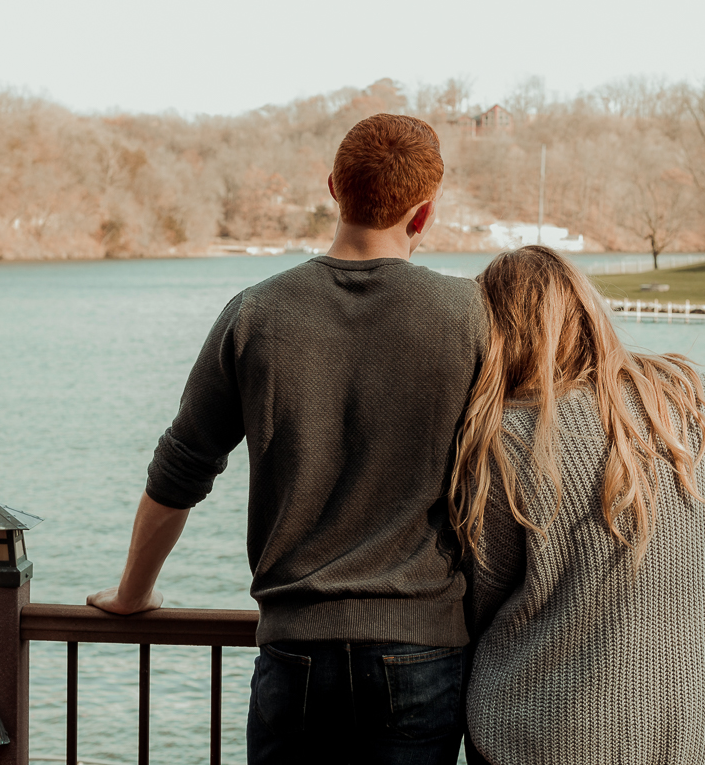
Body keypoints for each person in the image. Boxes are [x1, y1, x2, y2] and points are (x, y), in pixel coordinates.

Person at [88, 113, 485, 765]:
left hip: (296, 651)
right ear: (425, 215)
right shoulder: (471, 316)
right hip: (421, 650)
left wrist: (132, 597)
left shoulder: (257, 313)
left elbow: (180, 469)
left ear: (333, 187)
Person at [451, 246, 705, 765]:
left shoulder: (504, 440)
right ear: (589, 309)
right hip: (685, 738)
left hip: (533, 739)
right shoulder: (697, 404)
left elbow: (475, 608)